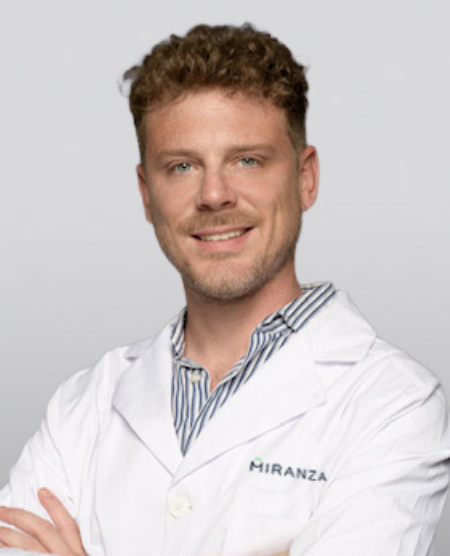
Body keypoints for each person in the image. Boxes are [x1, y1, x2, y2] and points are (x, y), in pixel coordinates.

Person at [0, 22, 449, 556]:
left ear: (305, 178)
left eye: (247, 160)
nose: (214, 195)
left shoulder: (393, 403)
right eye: (182, 166)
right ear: (147, 194)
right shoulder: (83, 405)